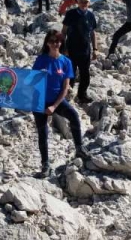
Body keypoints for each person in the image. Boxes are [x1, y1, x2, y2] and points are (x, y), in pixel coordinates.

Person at [31, 30, 88, 177]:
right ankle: (45, 165)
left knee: (74, 116)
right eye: (51, 41)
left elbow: (65, 88)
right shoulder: (40, 60)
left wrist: (54, 106)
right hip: (40, 102)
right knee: (42, 132)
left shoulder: (66, 62)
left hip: (57, 100)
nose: (55, 44)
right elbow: (31, 81)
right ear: (47, 43)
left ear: (61, 42)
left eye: (57, 41)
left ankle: (79, 148)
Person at [61, 0, 98, 103]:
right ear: (77, 1)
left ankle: (82, 95)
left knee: (85, 74)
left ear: (89, 3)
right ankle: (67, 95)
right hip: (71, 49)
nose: (84, 4)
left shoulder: (91, 16)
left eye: (86, 2)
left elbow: (93, 33)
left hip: (85, 50)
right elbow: (64, 31)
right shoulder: (70, 14)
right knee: (70, 74)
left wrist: (95, 49)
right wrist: (64, 47)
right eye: (82, 1)